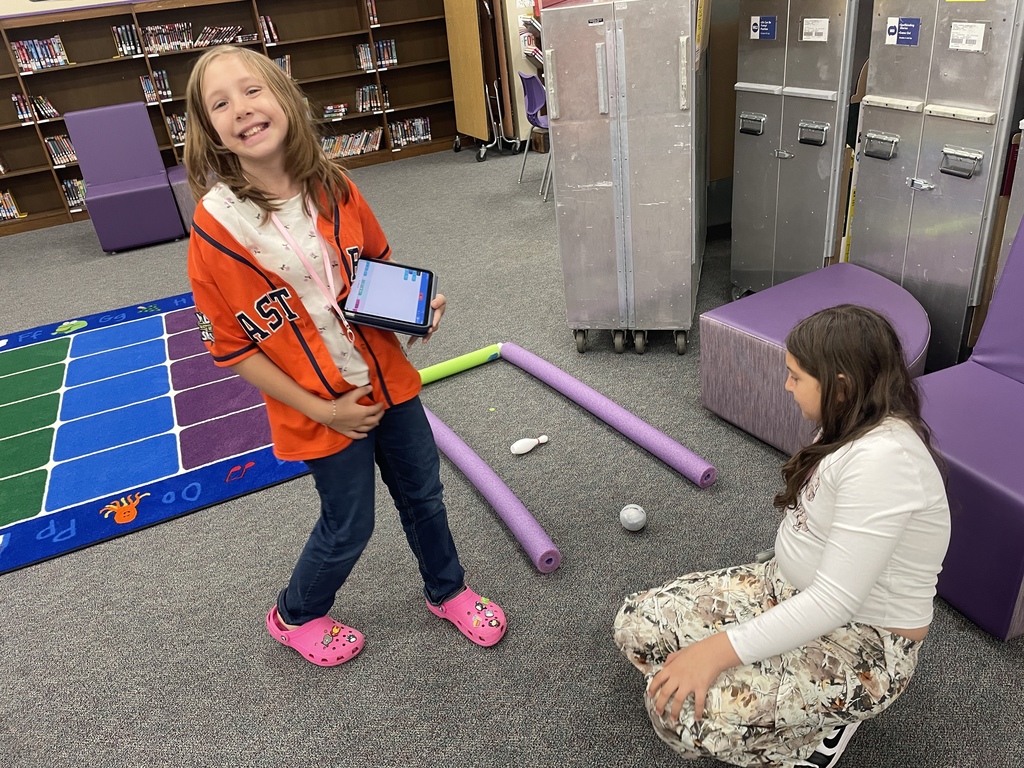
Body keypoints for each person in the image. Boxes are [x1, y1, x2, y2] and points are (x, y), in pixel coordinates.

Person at [183, 45, 507, 667]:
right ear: (209, 130)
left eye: (252, 91)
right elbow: (233, 349)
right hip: (321, 411)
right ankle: (295, 613)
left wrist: (415, 307)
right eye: (219, 104)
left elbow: (374, 266)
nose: (241, 110)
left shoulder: (334, 184)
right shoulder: (215, 227)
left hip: (391, 383)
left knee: (425, 497)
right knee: (349, 523)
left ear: (282, 95)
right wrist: (323, 411)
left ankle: (449, 590)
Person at [613, 304, 950, 767]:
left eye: (795, 376)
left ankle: (817, 734)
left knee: (677, 716)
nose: (786, 385)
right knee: (634, 624)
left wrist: (715, 651)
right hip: (782, 588)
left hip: (859, 642)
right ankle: (779, 688)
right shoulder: (852, 420)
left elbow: (835, 601)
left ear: (840, 385)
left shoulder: (885, 463)